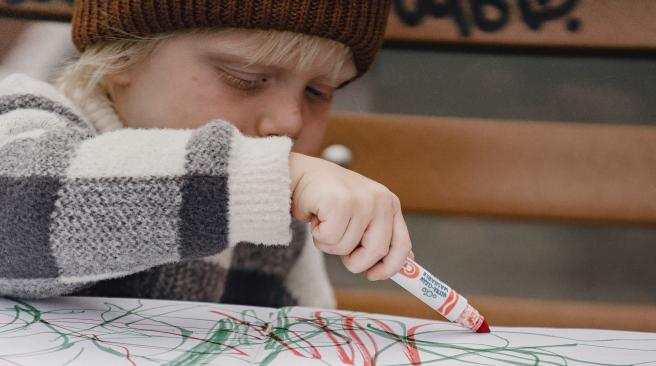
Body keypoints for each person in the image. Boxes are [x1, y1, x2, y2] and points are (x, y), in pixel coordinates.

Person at [0, 0, 412, 309]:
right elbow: (17, 218)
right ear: (123, 51)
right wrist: (259, 180)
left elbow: (297, 352)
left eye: (317, 93)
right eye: (245, 78)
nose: (289, 122)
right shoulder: (29, 121)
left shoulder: (273, 208)